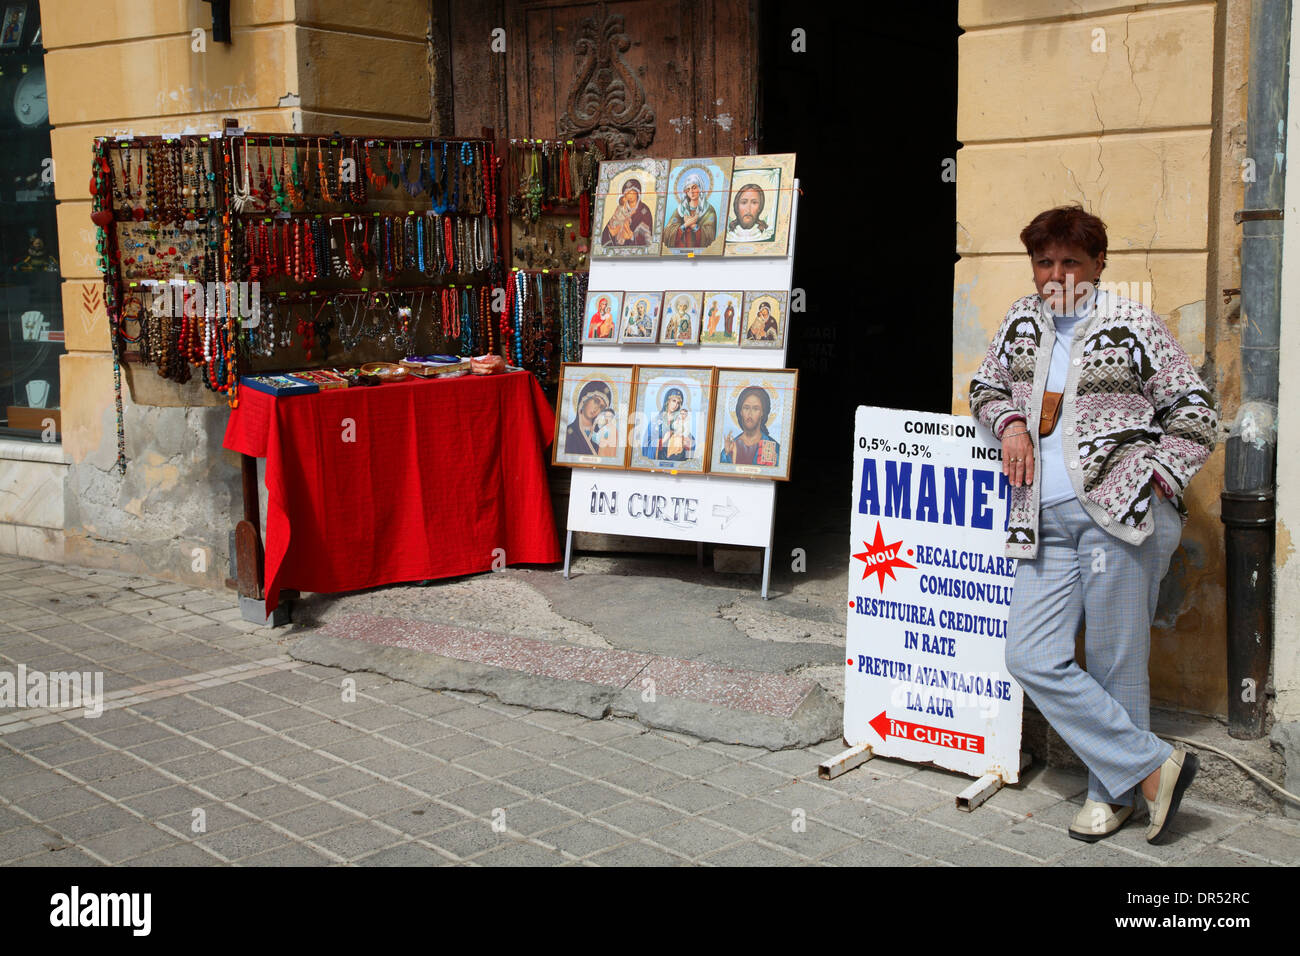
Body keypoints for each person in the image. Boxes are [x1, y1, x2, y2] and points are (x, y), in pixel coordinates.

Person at [968, 205, 1218, 845]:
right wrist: (1012, 424)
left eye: (1071, 261)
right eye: (1044, 261)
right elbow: (985, 389)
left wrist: (1150, 482)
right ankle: (1151, 769)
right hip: (1039, 519)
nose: (1057, 274)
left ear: (1098, 263)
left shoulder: (1132, 323)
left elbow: (1196, 413)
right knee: (1029, 653)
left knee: (1116, 662)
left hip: (1119, 520)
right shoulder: (1021, 322)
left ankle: (1115, 795)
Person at [720, 386, 779, 468]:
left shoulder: (774, 448)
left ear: (762, 412)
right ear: (740, 411)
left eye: (756, 408)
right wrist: (727, 455)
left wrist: (773, 466)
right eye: (746, 408)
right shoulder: (731, 447)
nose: (750, 413)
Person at [663, 171, 717, 248]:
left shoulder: (709, 210)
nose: (691, 192)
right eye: (688, 189)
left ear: (700, 188)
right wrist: (685, 225)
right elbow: (667, 233)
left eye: (694, 188)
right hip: (681, 255)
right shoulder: (680, 210)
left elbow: (710, 235)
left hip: (699, 255)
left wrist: (694, 226)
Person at [564, 380, 614, 457]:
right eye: (596, 401)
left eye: (601, 407)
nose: (596, 408)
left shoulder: (601, 435)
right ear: (584, 399)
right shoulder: (568, 432)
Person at [642, 387, 694, 461]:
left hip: (677, 458)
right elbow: (647, 443)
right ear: (667, 401)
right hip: (660, 458)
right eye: (674, 401)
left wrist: (687, 442)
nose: (675, 405)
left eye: (678, 403)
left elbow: (689, 438)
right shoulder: (656, 421)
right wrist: (662, 441)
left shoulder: (679, 420)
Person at [600, 179, 654, 247]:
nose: (630, 195)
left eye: (632, 192)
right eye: (627, 193)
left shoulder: (644, 210)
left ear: (638, 193)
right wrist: (611, 232)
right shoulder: (621, 208)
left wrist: (632, 237)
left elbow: (647, 235)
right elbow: (607, 231)